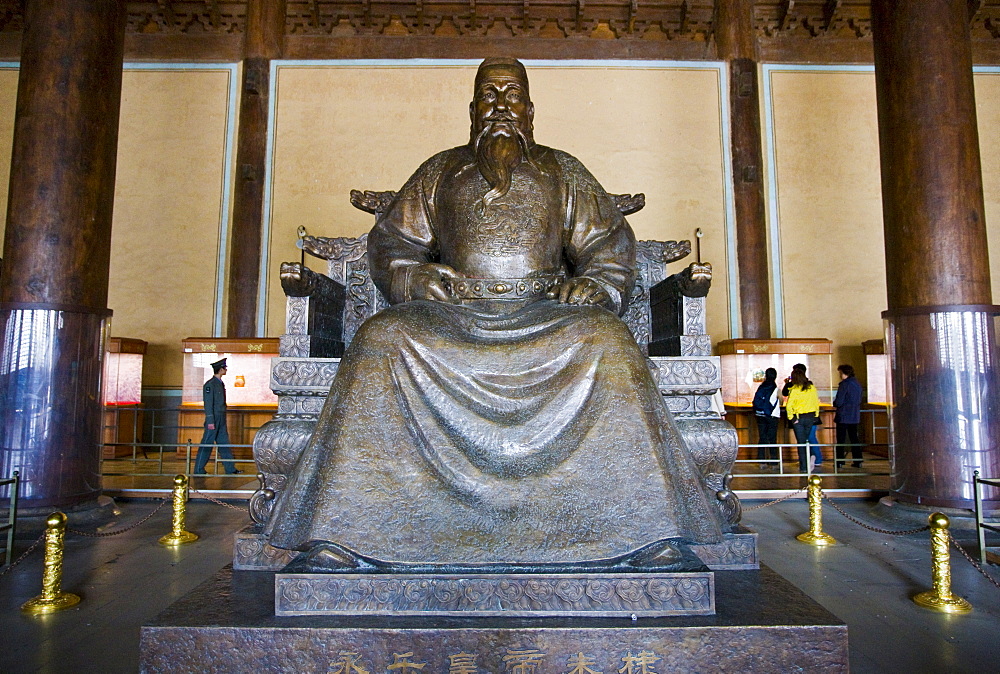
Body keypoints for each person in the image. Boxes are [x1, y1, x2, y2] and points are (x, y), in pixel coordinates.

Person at [264, 58, 723, 567]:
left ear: (530, 110)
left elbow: (608, 243)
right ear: (472, 109)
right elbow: (392, 241)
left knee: (608, 342)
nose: (500, 106)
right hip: (454, 313)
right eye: (489, 95)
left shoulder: (562, 170)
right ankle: (341, 536)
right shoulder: (440, 171)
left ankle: (649, 534)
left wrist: (596, 285)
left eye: (511, 95)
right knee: (381, 337)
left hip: (546, 312)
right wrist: (414, 277)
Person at [194, 358, 240, 475]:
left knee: (224, 443)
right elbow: (208, 404)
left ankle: (230, 468)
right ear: (220, 370)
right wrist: (210, 420)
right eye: (225, 368)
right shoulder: (210, 385)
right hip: (214, 418)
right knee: (207, 443)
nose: (226, 370)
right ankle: (198, 469)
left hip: (221, 418)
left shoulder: (219, 383)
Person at [783, 362, 823, 467]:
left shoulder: (795, 390)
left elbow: (789, 406)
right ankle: (812, 458)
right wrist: (815, 415)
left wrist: (792, 418)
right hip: (810, 417)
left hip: (799, 418)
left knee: (801, 442)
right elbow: (816, 403)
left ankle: (804, 466)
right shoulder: (811, 387)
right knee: (808, 439)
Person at [833, 363, 864, 468]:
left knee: (841, 439)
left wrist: (835, 403)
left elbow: (839, 401)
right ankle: (858, 460)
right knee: (854, 438)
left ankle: (840, 461)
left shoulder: (844, 384)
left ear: (844, 373)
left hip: (843, 415)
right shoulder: (857, 383)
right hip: (854, 415)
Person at [752, 367, 781, 470]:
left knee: (762, 437)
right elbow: (780, 400)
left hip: (760, 415)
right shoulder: (775, 388)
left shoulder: (761, 387)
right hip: (772, 416)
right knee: (772, 439)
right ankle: (774, 462)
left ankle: (762, 461)